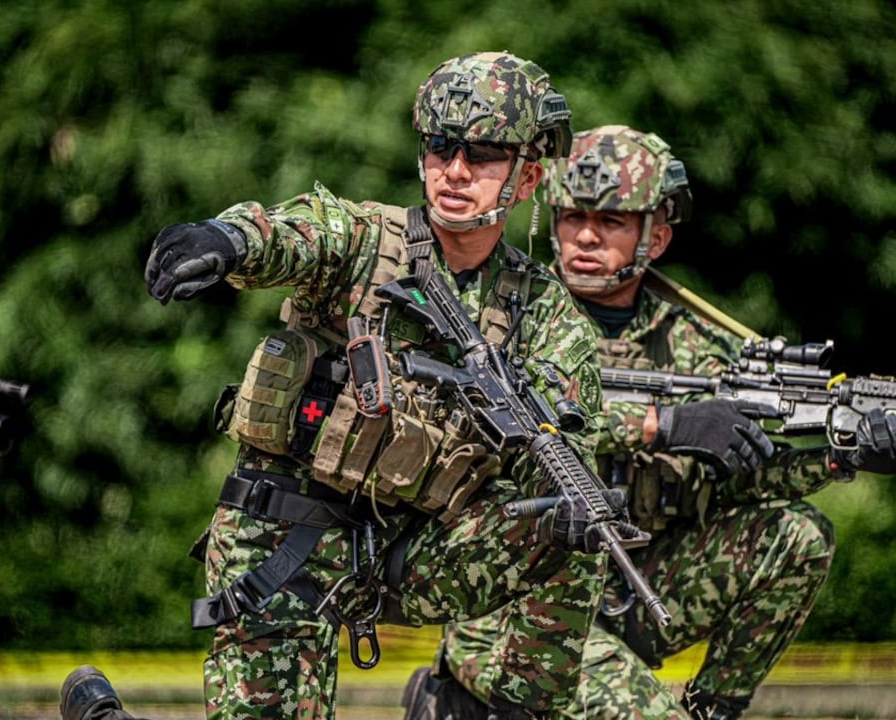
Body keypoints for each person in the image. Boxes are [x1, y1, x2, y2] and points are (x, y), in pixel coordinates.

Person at [142, 52, 617, 719]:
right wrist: (227, 240)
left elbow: (577, 421)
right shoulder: (371, 242)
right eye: (442, 147)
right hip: (282, 535)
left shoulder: (543, 314)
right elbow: (297, 231)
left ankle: (484, 707)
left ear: (528, 178)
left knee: (578, 524)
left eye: (482, 154)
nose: (455, 171)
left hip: (405, 555)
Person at [403, 125, 896, 719]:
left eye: (612, 221)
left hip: (631, 595)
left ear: (655, 238)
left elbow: (742, 476)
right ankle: (454, 702)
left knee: (799, 535)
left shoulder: (698, 348)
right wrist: (661, 423)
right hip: (513, 607)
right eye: (572, 216)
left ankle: (713, 711)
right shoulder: (507, 315)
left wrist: (842, 457)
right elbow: (505, 419)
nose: (584, 236)